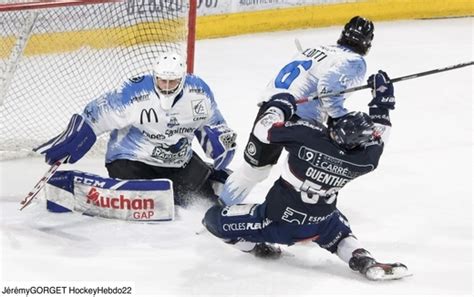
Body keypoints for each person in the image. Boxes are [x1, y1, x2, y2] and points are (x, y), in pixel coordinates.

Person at [202, 71, 410, 281]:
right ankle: (365, 261)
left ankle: (258, 248)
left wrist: (280, 105)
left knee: (212, 219)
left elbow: (263, 130)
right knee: (342, 237)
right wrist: (381, 103)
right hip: (321, 223)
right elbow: (380, 133)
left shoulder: (307, 136)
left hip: (274, 222)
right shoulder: (365, 160)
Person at [35, 51, 237, 208]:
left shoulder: (199, 92)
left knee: (197, 200)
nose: (166, 86)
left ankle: (208, 176)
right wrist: (79, 133)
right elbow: (99, 112)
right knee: (151, 196)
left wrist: (222, 141)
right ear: (154, 76)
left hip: (177, 161)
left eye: (172, 81)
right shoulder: (136, 93)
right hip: (131, 160)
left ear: (182, 79)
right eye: (161, 80)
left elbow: (213, 124)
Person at [220, 16, 375, 205]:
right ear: (367, 43)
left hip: (273, 108)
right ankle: (305, 216)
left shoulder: (317, 48)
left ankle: (220, 209)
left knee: (253, 170)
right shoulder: (354, 61)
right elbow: (327, 90)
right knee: (314, 170)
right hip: (301, 119)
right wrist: (339, 118)